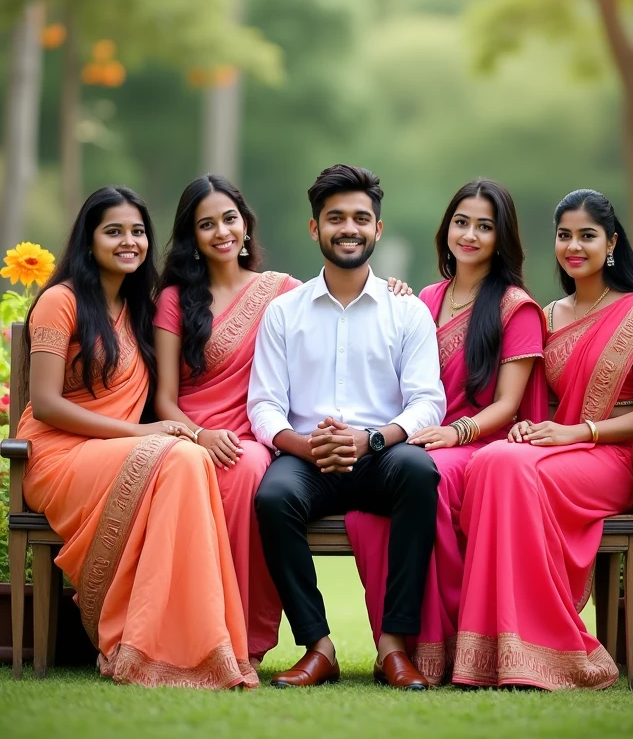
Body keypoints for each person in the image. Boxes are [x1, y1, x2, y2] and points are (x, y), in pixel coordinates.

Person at [17, 186, 257, 689]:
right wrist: (143, 431)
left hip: (123, 455)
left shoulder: (141, 309)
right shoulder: (61, 303)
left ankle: (198, 643)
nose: (129, 241)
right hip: (59, 456)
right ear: (88, 242)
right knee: (180, 457)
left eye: (138, 231)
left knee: (189, 461)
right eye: (114, 231)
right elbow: (45, 404)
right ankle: (142, 640)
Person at [453, 189, 633, 690]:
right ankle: (496, 647)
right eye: (564, 235)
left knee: (508, 468)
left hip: (614, 458)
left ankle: (550, 644)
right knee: (494, 460)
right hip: (558, 448)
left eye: (586, 236)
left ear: (612, 242)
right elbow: (543, 407)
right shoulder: (549, 314)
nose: (573, 246)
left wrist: (580, 432)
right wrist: (524, 428)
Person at [249, 164, 446, 689]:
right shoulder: (283, 313)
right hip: (307, 458)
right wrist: (307, 448)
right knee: (273, 497)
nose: (349, 228)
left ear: (377, 229)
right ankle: (319, 646)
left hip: (380, 454)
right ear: (315, 228)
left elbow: (429, 403)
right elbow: (265, 406)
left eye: (361, 218)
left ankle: (394, 648)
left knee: (418, 473)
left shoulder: (406, 313)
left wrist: (371, 439)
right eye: (335, 218)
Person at [346, 179, 548, 685]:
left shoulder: (514, 308)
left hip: (476, 444)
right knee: (365, 511)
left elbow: (507, 404)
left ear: (502, 238)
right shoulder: (423, 299)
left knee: (422, 477)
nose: (470, 235)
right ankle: (395, 647)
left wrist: (456, 433)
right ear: (446, 229)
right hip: (417, 436)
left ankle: (445, 647)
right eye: (462, 222)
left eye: (485, 226)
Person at [154, 174, 299, 663]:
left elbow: (342, 304)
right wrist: (198, 434)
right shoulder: (175, 300)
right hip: (188, 433)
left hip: (252, 435)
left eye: (229, 219)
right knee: (203, 466)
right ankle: (187, 631)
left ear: (246, 223)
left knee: (248, 468)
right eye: (206, 224)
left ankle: (245, 640)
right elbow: (165, 399)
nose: (221, 232)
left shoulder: (282, 291)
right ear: (191, 237)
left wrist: (395, 289)